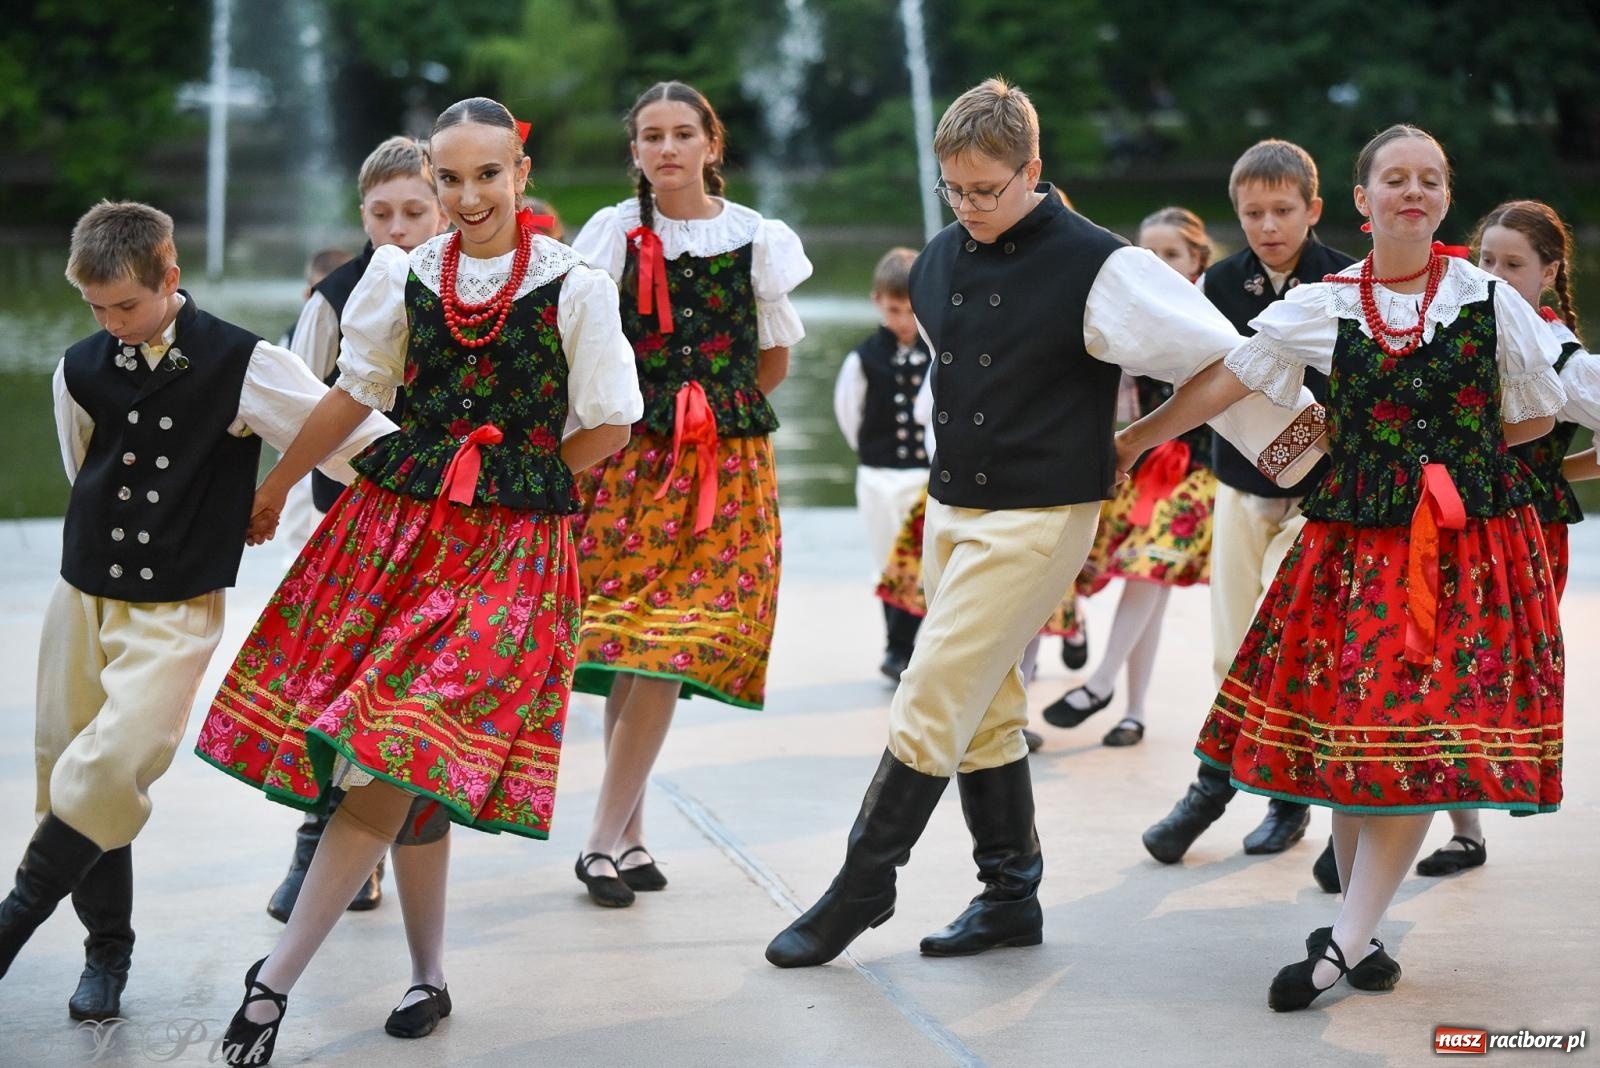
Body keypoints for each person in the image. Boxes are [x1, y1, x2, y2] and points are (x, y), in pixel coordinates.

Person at [764, 78, 1326, 969]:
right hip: (952, 508)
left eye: (987, 189)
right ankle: (1009, 897)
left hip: (1043, 514)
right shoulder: (935, 260)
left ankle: (865, 883)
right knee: (986, 706)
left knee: (931, 690)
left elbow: (1229, 358)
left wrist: (1143, 438)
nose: (969, 206)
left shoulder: (1102, 265)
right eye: (955, 188)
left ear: (1033, 170)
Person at [193, 97, 640, 1063]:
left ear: (521, 173)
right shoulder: (404, 274)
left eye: (489, 175)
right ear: (433, 179)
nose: (470, 195)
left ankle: (272, 985)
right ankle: (428, 977)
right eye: (451, 177)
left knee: (396, 745)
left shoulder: (577, 285)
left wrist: (526, 477)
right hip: (398, 534)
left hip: (512, 551)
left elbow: (612, 421)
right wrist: (276, 486)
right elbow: (354, 394)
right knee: (403, 767)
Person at [1116, 125, 1565, 1011]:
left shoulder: (1485, 299)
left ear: (1445, 197)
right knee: (1361, 738)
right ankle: (1362, 936)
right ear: (1362, 201)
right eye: (1395, 179)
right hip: (1357, 548)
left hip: (1463, 550)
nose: (1413, 191)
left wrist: (1449, 459)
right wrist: (1134, 439)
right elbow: (1229, 379)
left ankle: (1344, 942)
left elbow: (1538, 415)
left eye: (1430, 179)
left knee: (1420, 736)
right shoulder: (1327, 304)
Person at [0, 201, 391, 1023]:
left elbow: (353, 442)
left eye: (126, 306)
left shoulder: (244, 362)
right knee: (65, 765)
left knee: (114, 761)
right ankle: (106, 951)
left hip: (177, 599)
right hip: (82, 592)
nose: (112, 324)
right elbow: (84, 470)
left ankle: (10, 925)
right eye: (97, 309)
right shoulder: (77, 366)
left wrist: (304, 493)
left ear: (169, 277)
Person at [568, 81, 812, 908]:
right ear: (634, 150)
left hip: (722, 468)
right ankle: (625, 836)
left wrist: (711, 408)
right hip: (631, 465)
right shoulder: (612, 233)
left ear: (712, 143)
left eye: (682, 133)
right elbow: (584, 349)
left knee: (669, 644)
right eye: (651, 136)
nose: (667, 148)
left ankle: (600, 841)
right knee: (634, 647)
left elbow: (772, 360)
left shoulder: (758, 239)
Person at [1140, 140, 1355, 866]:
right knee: (1231, 646)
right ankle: (1230, 783)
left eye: (1283, 210)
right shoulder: (1219, 284)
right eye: (1254, 213)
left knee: (1290, 643)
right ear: (1236, 213)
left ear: (1313, 209)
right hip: (1238, 482)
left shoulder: (1345, 284)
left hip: (1323, 499)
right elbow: (1192, 374)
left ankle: (1272, 797)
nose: (1268, 225)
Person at [267, 134, 451, 924]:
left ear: (443, 209)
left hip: (442, 521)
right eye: (381, 215)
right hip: (348, 515)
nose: (398, 229)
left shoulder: (467, 290)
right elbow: (296, 405)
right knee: (337, 681)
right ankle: (316, 838)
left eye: (414, 211)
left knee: (407, 692)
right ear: (362, 215)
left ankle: (382, 843)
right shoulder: (333, 298)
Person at [1401, 198, 1594, 881]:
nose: (1496, 275)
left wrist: (1552, 475)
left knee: (1471, 674)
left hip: (1525, 537)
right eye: (1486, 260)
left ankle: (1446, 824)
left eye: (1514, 264)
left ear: (1550, 272)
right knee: (1425, 665)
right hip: (1450, 523)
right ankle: (1427, 821)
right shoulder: (1455, 327)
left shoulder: (1560, 354)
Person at [1041, 206, 1219, 747]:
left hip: (1199, 467)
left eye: (1172, 254)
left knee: (1148, 570)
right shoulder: (1130, 311)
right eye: (1150, 253)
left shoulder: (1214, 308)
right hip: (1139, 463)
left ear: (1197, 260)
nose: (1160, 263)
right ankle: (1134, 711)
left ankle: (1101, 683)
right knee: (1147, 587)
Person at [834, 247, 932, 681]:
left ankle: (908, 649)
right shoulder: (863, 358)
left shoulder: (940, 353)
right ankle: (896, 648)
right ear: (877, 302)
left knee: (923, 563)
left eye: (912, 310)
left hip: (927, 476)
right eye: (895, 310)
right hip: (879, 475)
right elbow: (848, 413)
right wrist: (873, 454)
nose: (904, 321)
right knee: (886, 560)